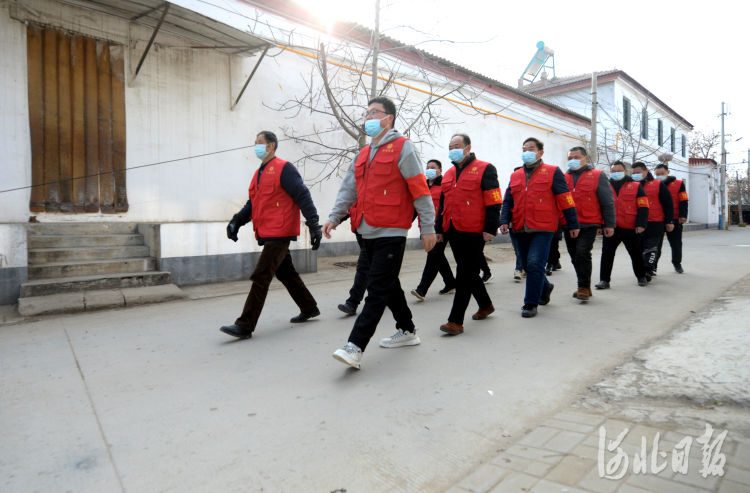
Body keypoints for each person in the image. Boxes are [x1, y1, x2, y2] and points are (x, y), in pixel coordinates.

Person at [323, 97, 437, 369]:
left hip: (391, 230)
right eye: (367, 113)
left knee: (375, 288)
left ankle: (355, 346)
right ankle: (407, 331)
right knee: (387, 283)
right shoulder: (362, 153)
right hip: (364, 228)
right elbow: (348, 189)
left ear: (390, 118)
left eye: (375, 112)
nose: (369, 117)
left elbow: (420, 189)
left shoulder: (403, 147)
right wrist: (334, 217)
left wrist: (428, 227)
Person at [220, 130, 323, 339]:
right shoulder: (258, 173)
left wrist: (313, 224)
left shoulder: (284, 168)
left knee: (261, 274)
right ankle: (309, 307)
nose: (256, 146)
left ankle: (245, 325)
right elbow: (253, 204)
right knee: (285, 272)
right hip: (269, 230)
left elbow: (302, 194)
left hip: (281, 231)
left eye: (260, 142)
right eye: (255, 142)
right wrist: (236, 221)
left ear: (271, 146)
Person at [499, 137, 579, 318]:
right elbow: (508, 200)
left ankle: (530, 303)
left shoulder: (553, 172)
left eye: (531, 148)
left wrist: (572, 223)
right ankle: (546, 287)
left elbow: (565, 198)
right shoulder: (516, 175)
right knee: (528, 266)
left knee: (535, 263)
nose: (527, 152)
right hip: (519, 226)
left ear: (540, 152)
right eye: (524, 148)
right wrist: (504, 221)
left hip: (543, 227)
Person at [436, 133, 502, 335]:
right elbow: (442, 204)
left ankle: (455, 321)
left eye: (456, 145)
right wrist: (439, 229)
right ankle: (485, 305)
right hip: (453, 228)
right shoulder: (447, 174)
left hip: (474, 230)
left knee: (463, 274)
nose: (452, 149)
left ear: (467, 147)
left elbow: (494, 200)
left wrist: (491, 228)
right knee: (470, 272)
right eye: (450, 146)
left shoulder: (485, 169)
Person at [562, 146, 616, 301]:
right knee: (574, 257)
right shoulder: (564, 176)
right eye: (570, 158)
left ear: (586, 158)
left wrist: (609, 224)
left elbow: (607, 201)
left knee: (582, 253)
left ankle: (584, 287)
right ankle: (583, 285)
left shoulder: (597, 175)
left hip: (589, 223)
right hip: (569, 223)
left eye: (576, 157)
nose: (573, 160)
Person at [596, 161, 650, 289]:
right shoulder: (606, 185)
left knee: (635, 253)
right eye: (613, 171)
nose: (616, 173)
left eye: (618, 171)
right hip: (611, 226)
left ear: (625, 171)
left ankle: (641, 277)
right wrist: (599, 225)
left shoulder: (636, 186)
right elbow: (599, 206)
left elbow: (643, 206)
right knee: (607, 254)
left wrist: (641, 224)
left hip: (630, 226)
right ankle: (604, 280)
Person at [411, 159, 456, 301]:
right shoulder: (422, 186)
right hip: (425, 228)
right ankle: (450, 283)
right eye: (428, 167)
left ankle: (422, 289)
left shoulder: (444, 185)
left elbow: (447, 207)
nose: (429, 169)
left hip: (440, 229)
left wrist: (440, 229)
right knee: (438, 257)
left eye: (433, 167)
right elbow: (416, 208)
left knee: (433, 256)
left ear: (440, 170)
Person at [632, 162, 674, 280]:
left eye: (638, 172)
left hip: (655, 222)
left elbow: (668, 204)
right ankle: (643, 269)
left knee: (652, 248)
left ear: (646, 171)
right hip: (637, 223)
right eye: (633, 173)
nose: (636, 175)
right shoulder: (631, 185)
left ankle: (648, 269)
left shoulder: (658, 184)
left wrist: (669, 221)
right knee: (639, 249)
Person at [654, 164, 688, 273]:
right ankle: (652, 266)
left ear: (668, 172)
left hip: (675, 218)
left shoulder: (678, 184)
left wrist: (683, 215)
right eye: (657, 174)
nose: (660, 176)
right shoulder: (653, 185)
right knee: (655, 245)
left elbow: (683, 200)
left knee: (676, 243)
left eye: (662, 174)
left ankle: (677, 263)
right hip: (657, 219)